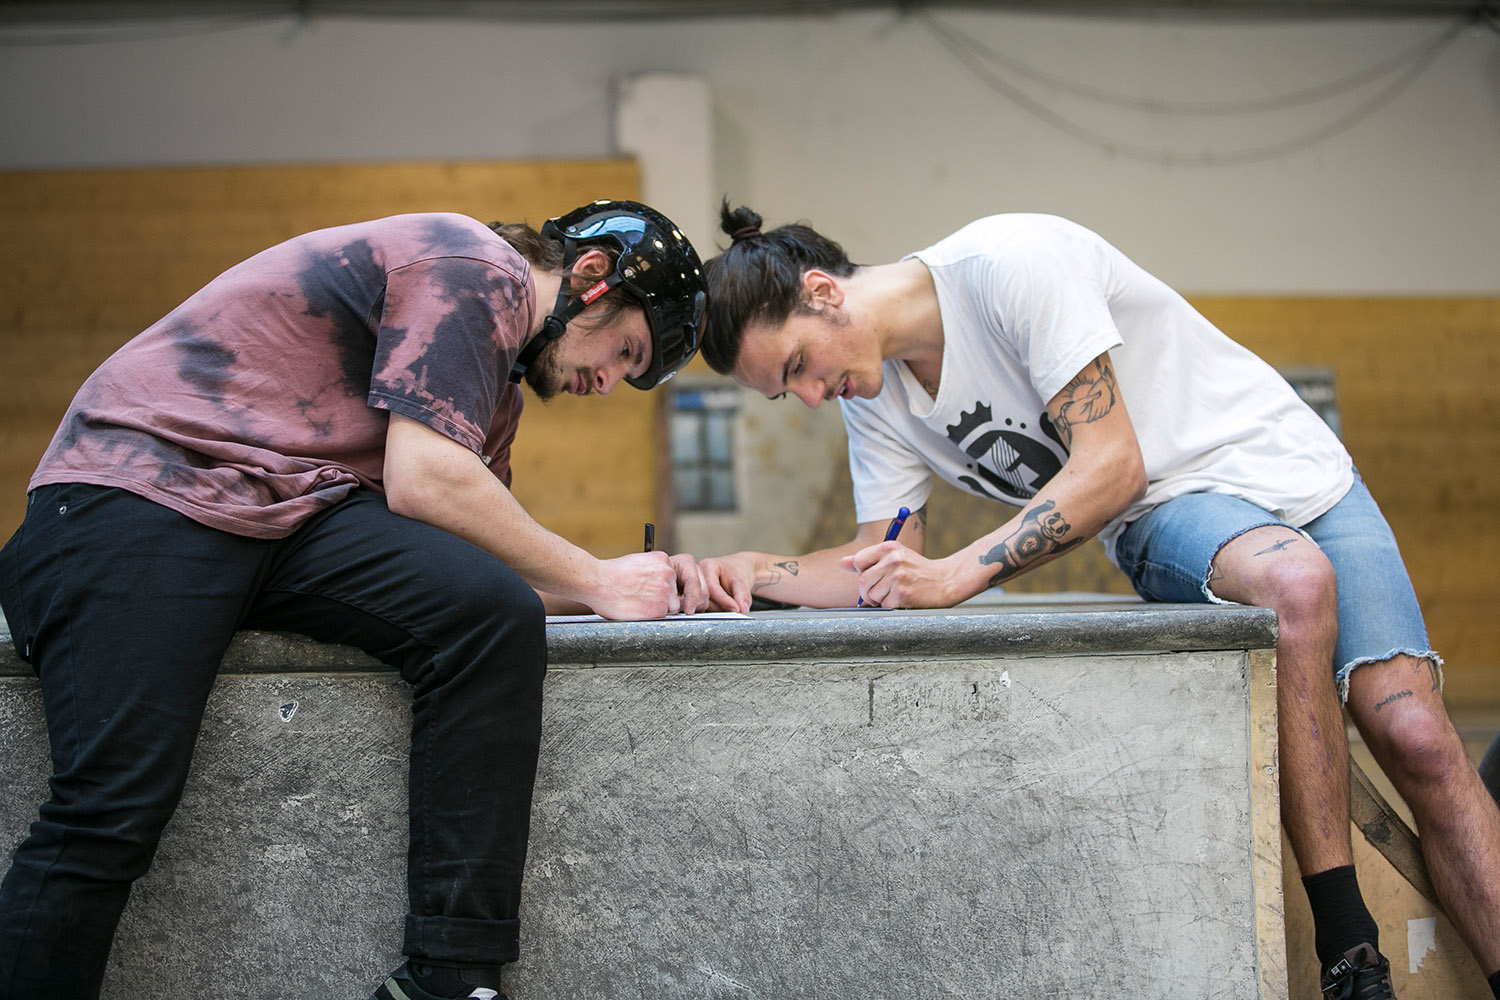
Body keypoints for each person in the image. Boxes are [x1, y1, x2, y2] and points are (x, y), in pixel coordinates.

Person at [696, 202, 1500, 999]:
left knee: (1421, 738)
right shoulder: (874, 399)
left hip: (1298, 472)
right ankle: (1351, 952)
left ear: (823, 292)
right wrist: (751, 571)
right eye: (784, 392)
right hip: (1167, 514)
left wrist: (957, 575)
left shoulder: (1010, 265)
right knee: (1294, 582)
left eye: (797, 364)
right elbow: (884, 562)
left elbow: (1109, 462)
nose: (807, 396)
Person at [0, 199, 711, 1000]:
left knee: (489, 616)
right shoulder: (473, 263)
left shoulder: (496, 401)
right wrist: (595, 576)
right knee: (110, 809)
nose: (610, 383)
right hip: (144, 491)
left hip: (285, 515)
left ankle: (450, 978)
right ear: (590, 279)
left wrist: (626, 591)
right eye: (625, 351)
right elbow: (423, 479)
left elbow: (473, 554)